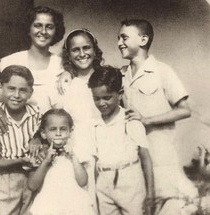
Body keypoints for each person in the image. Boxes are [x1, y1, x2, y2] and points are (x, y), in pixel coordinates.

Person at [117, 19, 198, 213]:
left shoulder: (162, 71)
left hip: (161, 159)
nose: (119, 42)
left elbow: (185, 110)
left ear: (143, 39)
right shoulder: (122, 75)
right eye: (118, 38)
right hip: (135, 162)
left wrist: (147, 120)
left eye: (124, 37)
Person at [88, 66, 154, 215]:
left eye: (107, 97)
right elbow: (94, 162)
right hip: (104, 182)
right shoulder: (94, 124)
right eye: (96, 98)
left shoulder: (130, 120)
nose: (101, 103)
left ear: (119, 94)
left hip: (130, 181)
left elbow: (146, 158)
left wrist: (150, 194)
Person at [0, 6, 66, 133]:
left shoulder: (62, 65)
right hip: (11, 135)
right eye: (38, 25)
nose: (43, 31)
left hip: (51, 136)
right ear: (29, 29)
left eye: (49, 26)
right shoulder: (9, 62)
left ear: (56, 31)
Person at [55, 28, 104, 212]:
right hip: (79, 153)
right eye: (76, 50)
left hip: (107, 148)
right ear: (68, 54)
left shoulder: (106, 78)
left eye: (87, 48)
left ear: (94, 49)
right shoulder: (65, 84)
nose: (82, 54)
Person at [28, 109, 95, 215]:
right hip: (49, 206)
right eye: (53, 129)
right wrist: (46, 161)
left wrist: (73, 157)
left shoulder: (76, 152)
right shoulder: (40, 155)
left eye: (63, 129)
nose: (58, 134)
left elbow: (83, 181)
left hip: (76, 205)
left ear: (70, 132)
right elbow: (32, 185)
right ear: (44, 133)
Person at [0, 65, 41, 215]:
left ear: (30, 92)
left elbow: (48, 133)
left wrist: (37, 137)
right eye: (11, 88)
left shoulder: (37, 115)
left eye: (22, 90)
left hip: (34, 178)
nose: (16, 95)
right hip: (5, 180)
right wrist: (20, 161)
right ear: (1, 87)